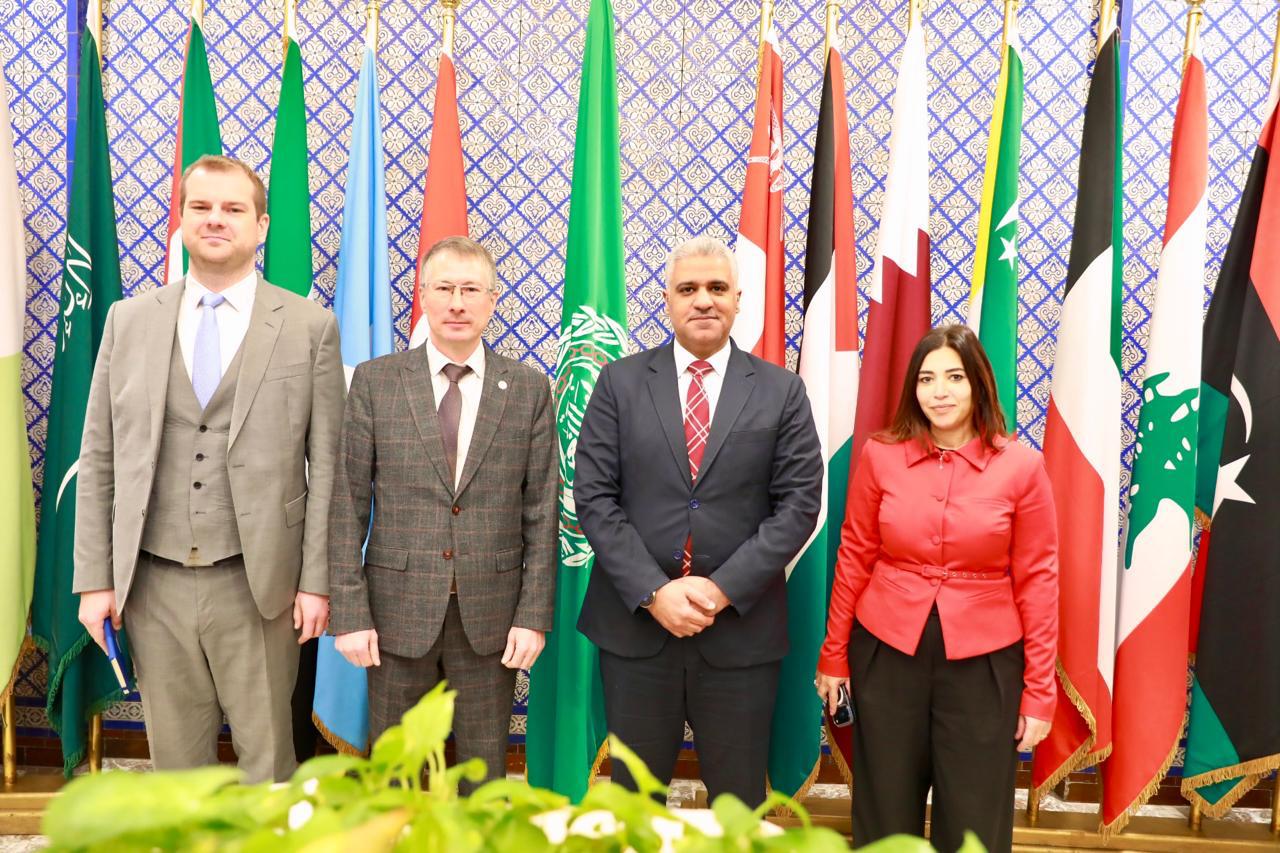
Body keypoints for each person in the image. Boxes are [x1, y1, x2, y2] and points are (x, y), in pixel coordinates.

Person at [74, 154, 345, 783]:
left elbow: (330, 466)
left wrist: (317, 582)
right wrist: (95, 580)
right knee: (177, 773)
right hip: (153, 582)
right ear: (182, 219)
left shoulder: (310, 327)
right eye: (201, 207)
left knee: (269, 764)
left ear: (261, 225)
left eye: (232, 209)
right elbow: (99, 457)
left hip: (262, 585)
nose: (215, 219)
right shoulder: (127, 321)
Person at [574, 235, 823, 807]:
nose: (703, 300)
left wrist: (719, 589)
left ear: (738, 299)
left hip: (739, 634)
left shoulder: (782, 391)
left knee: (738, 807)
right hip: (637, 632)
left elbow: (799, 505)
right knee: (635, 806)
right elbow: (594, 498)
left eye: (717, 288)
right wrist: (654, 592)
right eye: (688, 289)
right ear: (667, 300)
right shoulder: (619, 383)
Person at [815, 323, 1058, 853]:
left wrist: (1040, 691)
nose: (939, 392)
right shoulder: (880, 455)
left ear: (979, 385)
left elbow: (1038, 581)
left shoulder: (1022, 467)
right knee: (884, 809)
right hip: (886, 653)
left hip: (984, 664)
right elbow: (854, 555)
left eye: (954, 377)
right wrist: (833, 654)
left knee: (974, 819)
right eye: (926, 379)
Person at [327, 236, 556, 790]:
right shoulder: (376, 382)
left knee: (484, 776)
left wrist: (532, 615)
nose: (457, 303)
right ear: (423, 295)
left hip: (491, 616)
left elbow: (541, 511)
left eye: (471, 290)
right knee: (395, 777)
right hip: (395, 613)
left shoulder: (528, 388)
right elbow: (346, 504)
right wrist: (350, 613)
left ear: (492, 300)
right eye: (445, 288)